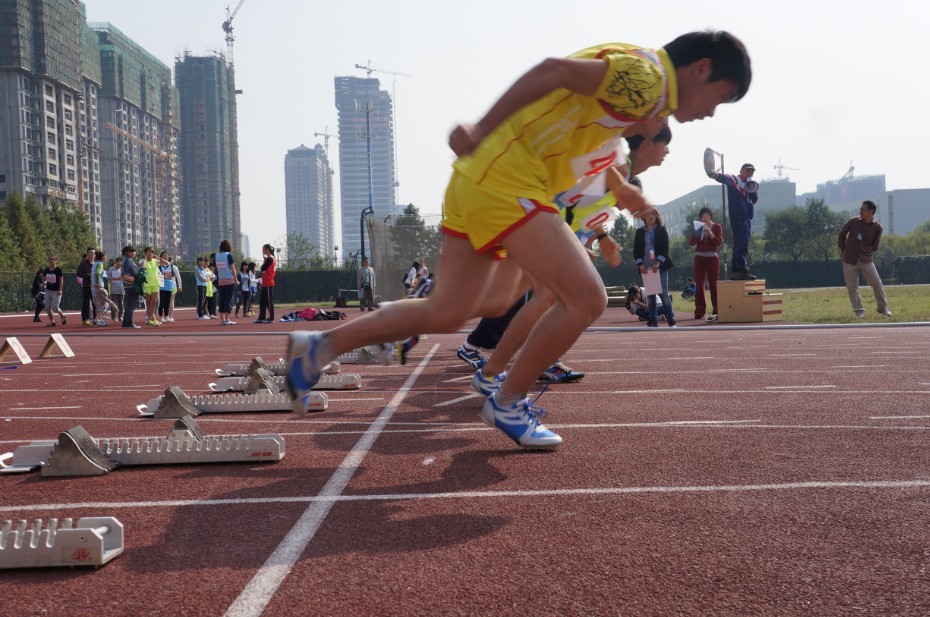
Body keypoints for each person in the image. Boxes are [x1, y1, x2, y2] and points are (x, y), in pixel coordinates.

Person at [286, 31, 751, 448]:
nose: (710, 112)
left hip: (479, 181)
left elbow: (575, 127)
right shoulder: (647, 78)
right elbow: (553, 72)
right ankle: (507, 399)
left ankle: (319, 348)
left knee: (457, 308)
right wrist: (482, 127)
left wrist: (622, 186)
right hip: (508, 182)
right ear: (702, 69)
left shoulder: (642, 75)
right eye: (720, 98)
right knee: (584, 297)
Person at [466, 122, 673, 392]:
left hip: (537, 218)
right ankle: (497, 372)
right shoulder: (617, 166)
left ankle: (498, 368)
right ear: (647, 143)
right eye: (665, 143)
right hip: (531, 214)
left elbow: (579, 204)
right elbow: (574, 188)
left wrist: (599, 237)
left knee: (518, 299)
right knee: (550, 298)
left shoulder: (618, 174)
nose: (668, 151)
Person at [838, 200, 892, 318]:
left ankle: (883, 308)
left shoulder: (878, 227)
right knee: (852, 287)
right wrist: (844, 250)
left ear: (871, 211)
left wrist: (865, 251)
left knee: (877, 283)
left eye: (863, 209)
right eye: (860, 209)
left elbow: (875, 246)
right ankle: (859, 311)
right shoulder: (853, 222)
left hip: (866, 260)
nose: (860, 211)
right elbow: (841, 235)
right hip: (849, 260)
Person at [709, 162, 757, 280]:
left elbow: (754, 199)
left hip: (746, 217)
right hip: (738, 215)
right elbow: (724, 178)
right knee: (740, 243)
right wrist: (715, 175)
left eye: (751, 172)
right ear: (741, 171)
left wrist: (752, 189)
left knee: (743, 243)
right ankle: (739, 269)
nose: (749, 174)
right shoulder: (735, 179)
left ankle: (740, 269)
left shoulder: (750, 184)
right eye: (747, 171)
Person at [634, 209, 676, 327]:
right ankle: (653, 320)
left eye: (653, 214)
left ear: (656, 216)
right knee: (650, 295)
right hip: (646, 268)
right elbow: (636, 250)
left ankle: (671, 319)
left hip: (659, 267)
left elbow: (665, 247)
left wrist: (658, 262)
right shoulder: (639, 232)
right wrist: (640, 264)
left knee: (664, 294)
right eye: (647, 214)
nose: (650, 217)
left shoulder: (662, 230)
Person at [689, 206, 723, 321]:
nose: (704, 218)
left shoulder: (716, 226)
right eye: (702, 216)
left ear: (710, 216)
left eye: (706, 215)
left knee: (714, 283)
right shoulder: (698, 227)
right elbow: (691, 242)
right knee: (699, 284)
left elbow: (718, 242)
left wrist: (710, 233)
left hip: (712, 257)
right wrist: (697, 232)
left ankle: (717, 309)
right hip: (699, 257)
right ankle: (699, 310)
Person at [91, 250, 118, 326]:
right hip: (98, 286)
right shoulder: (100, 264)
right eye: (105, 256)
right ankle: (96, 319)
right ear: (102, 257)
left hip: (93, 286)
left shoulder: (94, 264)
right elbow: (97, 273)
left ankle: (99, 320)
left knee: (98, 304)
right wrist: (97, 283)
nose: (106, 258)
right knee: (104, 305)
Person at [214, 240, 237, 325]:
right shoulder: (229, 255)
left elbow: (216, 268)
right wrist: (236, 279)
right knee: (229, 300)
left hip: (221, 281)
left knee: (222, 299)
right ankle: (227, 319)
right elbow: (233, 268)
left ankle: (222, 319)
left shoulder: (216, 256)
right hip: (229, 280)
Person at [120, 246, 141, 328]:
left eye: (134, 251)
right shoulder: (129, 261)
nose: (133, 253)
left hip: (127, 285)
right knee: (131, 305)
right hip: (131, 285)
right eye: (131, 251)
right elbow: (135, 273)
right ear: (126, 253)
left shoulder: (124, 260)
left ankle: (125, 323)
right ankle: (129, 323)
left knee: (128, 304)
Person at [255, 244, 276, 323]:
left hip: (268, 282)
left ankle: (271, 318)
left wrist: (264, 262)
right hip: (265, 282)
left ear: (266, 249)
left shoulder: (270, 258)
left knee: (269, 301)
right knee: (262, 301)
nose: (262, 250)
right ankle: (261, 317)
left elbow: (262, 268)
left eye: (263, 249)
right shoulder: (269, 259)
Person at [43, 256, 66, 327]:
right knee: (47, 307)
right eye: (50, 259)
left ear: (56, 261)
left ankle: (62, 316)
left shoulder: (58, 270)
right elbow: (44, 279)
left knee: (54, 307)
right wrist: (44, 282)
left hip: (56, 291)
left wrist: (60, 290)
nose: (51, 261)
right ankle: (52, 321)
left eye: (52, 259)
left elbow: (61, 280)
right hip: (48, 290)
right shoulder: (46, 270)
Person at [141, 247, 161, 327]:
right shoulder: (143, 261)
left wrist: (158, 257)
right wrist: (146, 258)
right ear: (145, 253)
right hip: (147, 284)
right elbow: (142, 267)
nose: (150, 253)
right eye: (149, 252)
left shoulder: (156, 261)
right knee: (148, 303)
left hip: (155, 284)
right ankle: (152, 318)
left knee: (154, 302)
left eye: (152, 252)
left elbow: (167, 263)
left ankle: (150, 319)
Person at [77, 247, 95, 326]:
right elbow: (79, 273)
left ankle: (96, 319)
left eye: (93, 253)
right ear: (87, 254)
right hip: (87, 286)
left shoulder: (97, 263)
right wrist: (89, 276)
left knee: (96, 303)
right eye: (90, 253)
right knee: (86, 303)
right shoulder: (83, 263)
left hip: (96, 286)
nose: (92, 254)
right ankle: (85, 319)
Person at [157, 251, 175, 324]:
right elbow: (160, 276)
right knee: (162, 302)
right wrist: (167, 276)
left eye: (167, 256)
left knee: (167, 302)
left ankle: (167, 316)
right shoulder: (159, 266)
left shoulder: (171, 266)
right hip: (162, 286)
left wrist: (165, 275)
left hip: (169, 286)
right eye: (164, 256)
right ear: (161, 258)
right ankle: (161, 317)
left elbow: (172, 274)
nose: (165, 257)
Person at [107, 257, 124, 322]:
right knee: (113, 303)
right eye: (118, 261)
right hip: (113, 289)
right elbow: (108, 277)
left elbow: (125, 277)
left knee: (121, 304)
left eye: (120, 262)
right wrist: (116, 279)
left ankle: (120, 316)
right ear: (115, 262)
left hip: (121, 289)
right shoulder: (111, 269)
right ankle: (113, 317)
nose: (119, 263)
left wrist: (121, 278)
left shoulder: (123, 269)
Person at [168, 257, 182, 322]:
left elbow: (178, 277)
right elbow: (178, 277)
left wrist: (180, 286)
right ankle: (169, 316)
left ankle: (165, 316)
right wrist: (180, 286)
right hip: (172, 286)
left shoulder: (173, 267)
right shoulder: (174, 267)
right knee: (171, 301)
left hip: (167, 286)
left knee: (165, 302)